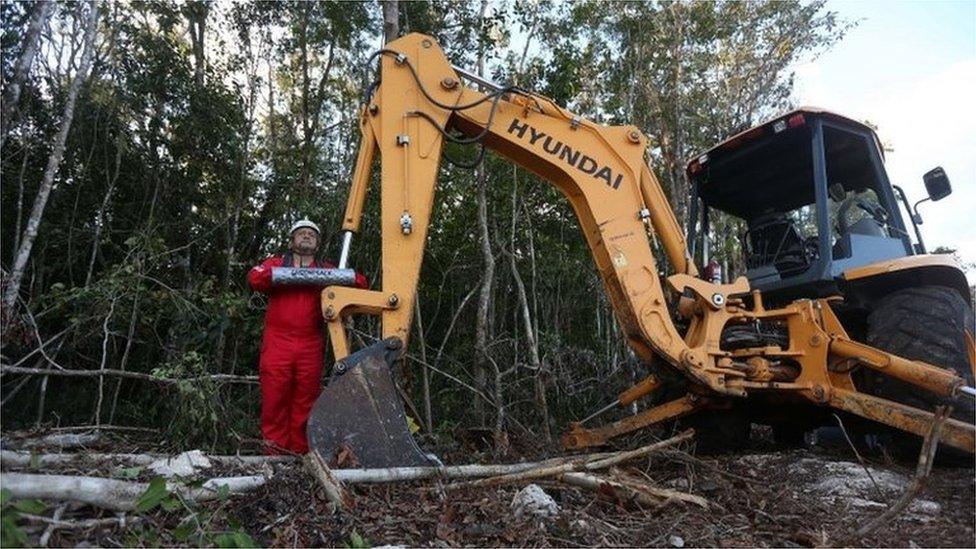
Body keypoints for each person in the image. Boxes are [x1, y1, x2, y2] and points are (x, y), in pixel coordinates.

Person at [247, 218, 368, 454]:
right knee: (275, 399)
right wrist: (285, 274)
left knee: (306, 402)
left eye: (311, 234)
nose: (306, 236)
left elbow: (361, 284)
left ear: (317, 243)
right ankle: (274, 455)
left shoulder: (328, 271)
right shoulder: (276, 264)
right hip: (277, 343)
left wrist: (344, 278)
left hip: (310, 344)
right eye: (301, 233)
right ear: (291, 241)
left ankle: (301, 455)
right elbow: (255, 277)